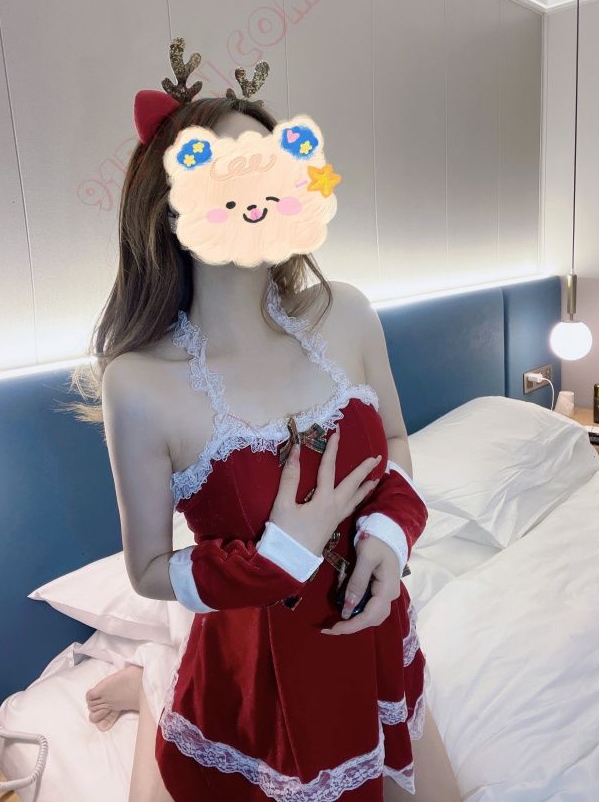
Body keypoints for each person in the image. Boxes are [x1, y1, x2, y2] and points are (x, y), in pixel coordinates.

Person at [70, 39, 461, 801]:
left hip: (372, 630)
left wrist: (389, 536)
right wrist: (283, 551)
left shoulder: (346, 313)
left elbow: (396, 441)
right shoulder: (141, 384)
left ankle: (150, 677)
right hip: (259, 674)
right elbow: (148, 571)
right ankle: (151, 684)